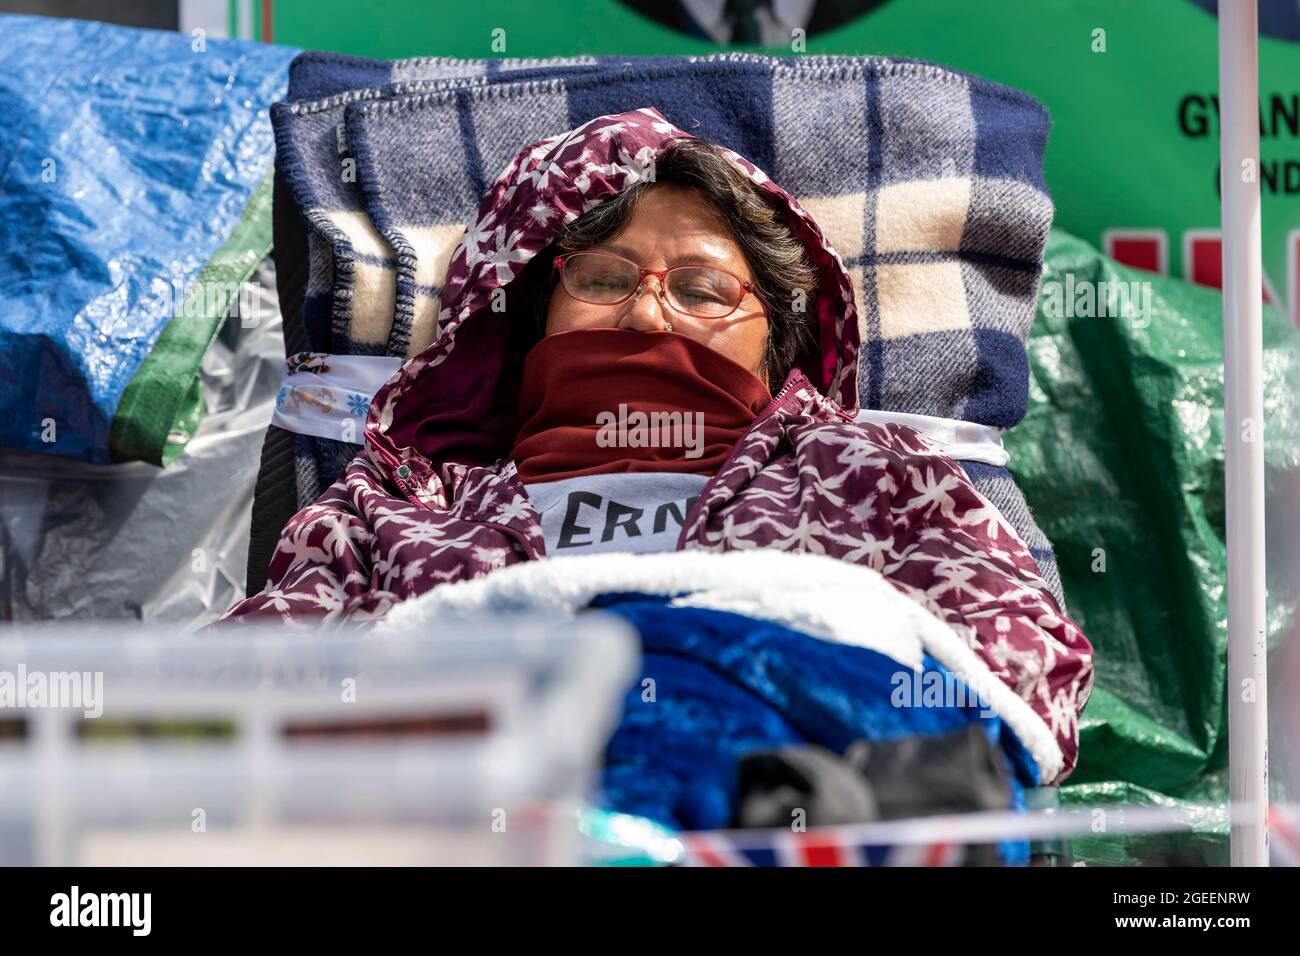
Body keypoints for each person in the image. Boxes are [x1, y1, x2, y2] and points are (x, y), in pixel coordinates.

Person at [222, 108, 1093, 780]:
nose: (644, 312)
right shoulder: (396, 508)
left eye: (704, 289)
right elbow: (241, 699)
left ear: (777, 340)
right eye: (601, 278)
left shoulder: (868, 478)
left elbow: (1023, 674)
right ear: (530, 321)